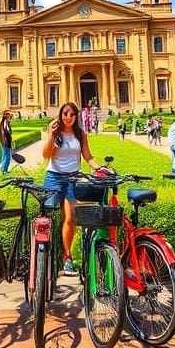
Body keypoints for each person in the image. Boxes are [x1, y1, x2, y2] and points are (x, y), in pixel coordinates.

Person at [43, 101, 106, 276]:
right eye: (65, 113)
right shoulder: (56, 134)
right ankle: (46, 254)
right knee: (48, 217)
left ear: (76, 116)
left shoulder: (80, 135)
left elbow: (88, 157)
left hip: (73, 179)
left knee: (70, 217)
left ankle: (67, 256)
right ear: (60, 115)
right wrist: (51, 134)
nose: (68, 117)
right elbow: (47, 154)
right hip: (54, 178)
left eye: (72, 114)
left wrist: (100, 168)